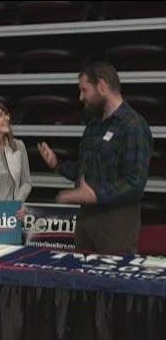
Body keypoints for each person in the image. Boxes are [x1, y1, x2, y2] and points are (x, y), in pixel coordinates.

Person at [38, 61, 153, 254]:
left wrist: (95, 195)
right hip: (86, 220)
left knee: (111, 282)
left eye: (84, 90)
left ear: (101, 86)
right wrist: (57, 164)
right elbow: (86, 170)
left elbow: (135, 183)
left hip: (115, 223)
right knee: (81, 280)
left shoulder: (133, 126)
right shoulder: (94, 125)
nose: (81, 97)